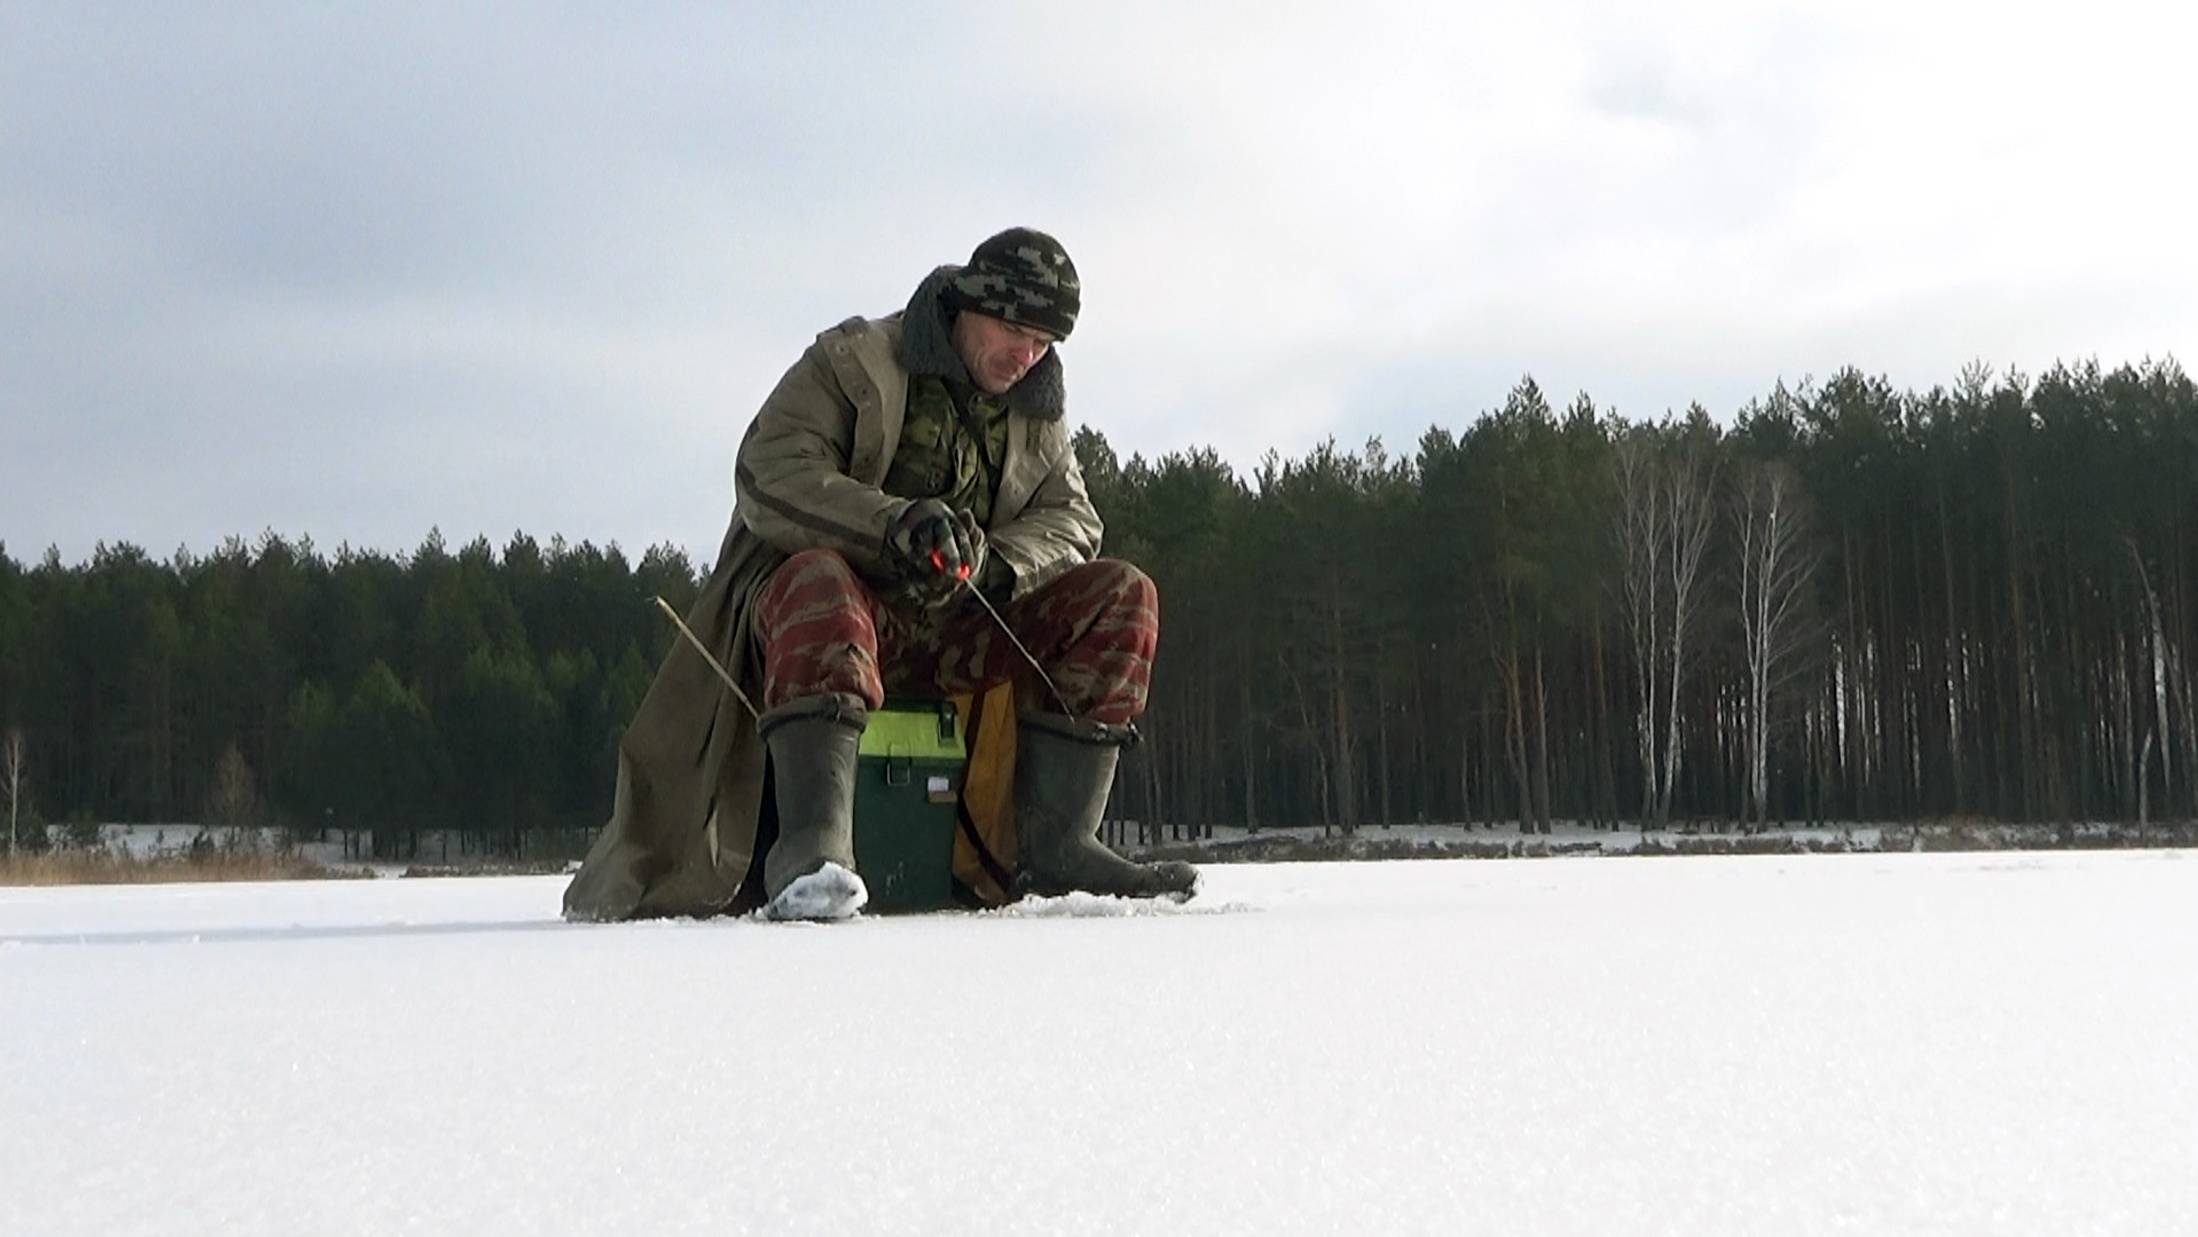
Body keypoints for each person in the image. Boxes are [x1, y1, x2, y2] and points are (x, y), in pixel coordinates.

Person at [563, 228, 1198, 922]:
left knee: (1123, 596)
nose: (1026, 356)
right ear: (965, 305)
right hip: (828, 623)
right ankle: (813, 851)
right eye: (1014, 328)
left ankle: (1057, 849)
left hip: (963, 623)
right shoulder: (857, 361)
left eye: (1044, 343)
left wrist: (993, 564)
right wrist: (894, 525)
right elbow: (770, 471)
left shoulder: (1036, 418)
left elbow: (1073, 521)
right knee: (819, 582)